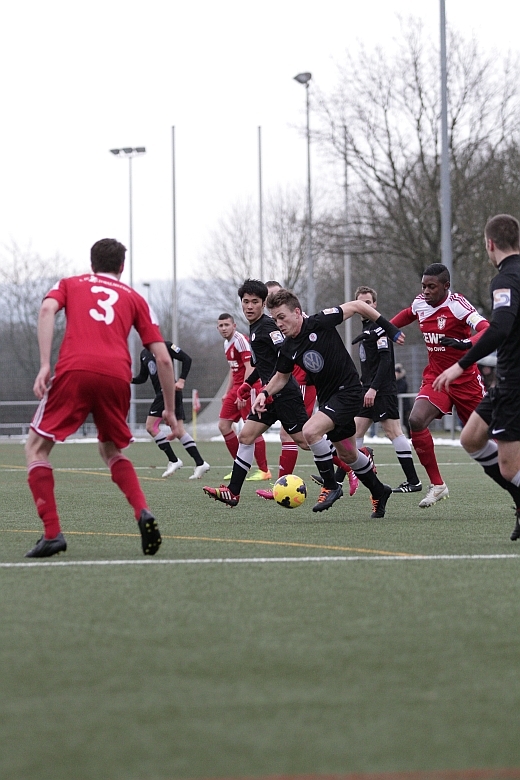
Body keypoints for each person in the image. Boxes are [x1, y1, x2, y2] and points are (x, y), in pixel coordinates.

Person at [24, 238, 179, 558]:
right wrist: (170, 411)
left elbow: (47, 309)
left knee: (36, 447)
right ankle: (142, 511)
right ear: (122, 266)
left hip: (75, 370)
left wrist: (44, 364)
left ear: (92, 263)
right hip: (117, 376)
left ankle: (52, 533)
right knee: (110, 449)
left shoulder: (70, 283)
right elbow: (164, 359)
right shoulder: (135, 297)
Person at [252, 289, 405, 517]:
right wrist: (264, 393)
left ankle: (331, 485)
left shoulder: (320, 321)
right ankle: (379, 490)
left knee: (310, 431)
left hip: (349, 391)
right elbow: (281, 377)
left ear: (297, 312)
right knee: (348, 455)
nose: (279, 324)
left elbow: (357, 306)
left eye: (281, 317)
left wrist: (389, 328)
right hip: (329, 399)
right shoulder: (288, 347)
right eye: (274, 319)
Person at [433, 214, 520, 541]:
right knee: (471, 438)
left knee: (509, 468)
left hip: (514, 382)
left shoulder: (505, 279)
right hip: (506, 383)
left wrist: (461, 364)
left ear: (490, 244)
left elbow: (500, 327)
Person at [203, 279, 311, 508]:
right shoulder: (255, 328)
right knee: (246, 436)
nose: (249, 306)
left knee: (306, 441)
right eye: (246, 301)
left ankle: (353, 460)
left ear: (263, 303)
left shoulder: (267, 327)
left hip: (284, 394)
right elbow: (264, 364)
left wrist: (267, 389)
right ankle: (233, 492)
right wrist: (248, 384)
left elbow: (285, 357)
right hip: (269, 396)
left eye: (255, 302)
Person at [390, 263, 489, 507]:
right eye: (423, 286)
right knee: (416, 420)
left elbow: (486, 329)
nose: (426, 291)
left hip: (466, 381)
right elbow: (405, 315)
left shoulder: (458, 305)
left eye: (431, 287)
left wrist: (466, 343)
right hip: (437, 379)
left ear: (446, 286)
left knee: (493, 436)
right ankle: (437, 485)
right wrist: (382, 329)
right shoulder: (420, 303)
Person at [255, 282, 359, 501]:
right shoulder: (270, 327)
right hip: (281, 386)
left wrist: (389, 327)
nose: (277, 321)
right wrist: (259, 389)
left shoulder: (304, 323)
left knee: (303, 436)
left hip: (301, 384)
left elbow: (290, 361)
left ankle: (345, 470)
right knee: (255, 435)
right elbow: (274, 364)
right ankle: (349, 465)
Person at [352, 286, 421, 493]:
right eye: (360, 303)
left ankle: (413, 481)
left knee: (394, 432)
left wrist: (373, 388)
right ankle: (337, 481)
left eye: (368, 302)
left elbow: (385, 362)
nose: (364, 306)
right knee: (354, 433)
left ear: (375, 304)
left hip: (382, 390)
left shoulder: (379, 328)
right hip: (368, 390)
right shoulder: (366, 329)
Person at [132, 342, 210, 479]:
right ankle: (200, 463)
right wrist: (128, 379)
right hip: (164, 394)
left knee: (151, 426)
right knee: (179, 431)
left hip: (168, 391)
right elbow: (142, 377)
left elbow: (187, 359)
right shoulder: (144, 353)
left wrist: (181, 380)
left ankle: (173, 460)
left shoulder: (165, 346)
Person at [216, 312, 270, 482]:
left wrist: (244, 393)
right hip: (236, 389)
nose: (224, 328)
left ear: (234, 326)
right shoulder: (226, 343)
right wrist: (228, 392)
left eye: (227, 325)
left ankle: (264, 470)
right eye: (220, 325)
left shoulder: (240, 340)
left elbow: (250, 367)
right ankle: (239, 467)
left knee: (252, 427)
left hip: (249, 387)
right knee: (224, 426)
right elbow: (233, 370)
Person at [395, 363, 412, 438]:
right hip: (398, 404)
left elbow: (400, 390)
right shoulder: (394, 382)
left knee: (405, 421)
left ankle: (410, 435)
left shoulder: (402, 382)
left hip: (404, 405)